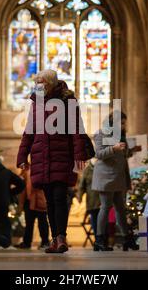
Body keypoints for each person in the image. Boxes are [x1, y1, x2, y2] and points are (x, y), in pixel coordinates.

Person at [17, 69, 89, 254]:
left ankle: (61, 237)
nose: (38, 85)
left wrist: (79, 156)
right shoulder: (37, 104)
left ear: (50, 83)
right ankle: (55, 239)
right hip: (42, 158)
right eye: (36, 82)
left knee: (59, 197)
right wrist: (22, 156)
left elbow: (77, 130)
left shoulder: (68, 101)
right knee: (49, 201)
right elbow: (29, 131)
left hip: (61, 157)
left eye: (41, 82)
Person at [91, 111, 141, 251]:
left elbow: (122, 154)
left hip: (119, 177)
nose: (124, 126)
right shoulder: (101, 133)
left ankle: (127, 239)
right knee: (105, 207)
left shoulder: (121, 136)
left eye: (125, 123)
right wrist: (114, 148)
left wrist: (131, 151)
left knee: (121, 209)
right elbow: (99, 154)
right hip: (106, 177)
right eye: (122, 123)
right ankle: (99, 241)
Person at [16, 169, 50, 250]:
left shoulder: (43, 169)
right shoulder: (26, 171)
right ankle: (28, 242)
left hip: (40, 200)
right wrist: (21, 204)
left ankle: (44, 242)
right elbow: (23, 189)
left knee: (42, 223)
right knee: (30, 223)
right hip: (31, 201)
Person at [77, 159, 101, 237]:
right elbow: (82, 185)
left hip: (103, 198)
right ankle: (98, 238)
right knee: (94, 218)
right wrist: (79, 197)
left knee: (103, 218)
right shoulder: (87, 170)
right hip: (92, 200)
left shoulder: (102, 166)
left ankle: (102, 238)